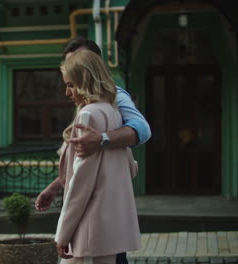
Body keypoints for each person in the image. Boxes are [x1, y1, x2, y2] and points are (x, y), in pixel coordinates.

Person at [35, 37, 150, 264]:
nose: (67, 90)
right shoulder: (107, 109)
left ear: (88, 71)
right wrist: (55, 186)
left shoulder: (102, 107)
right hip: (109, 224)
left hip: (91, 223)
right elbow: (127, 166)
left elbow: (82, 182)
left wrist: (62, 234)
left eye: (70, 82)